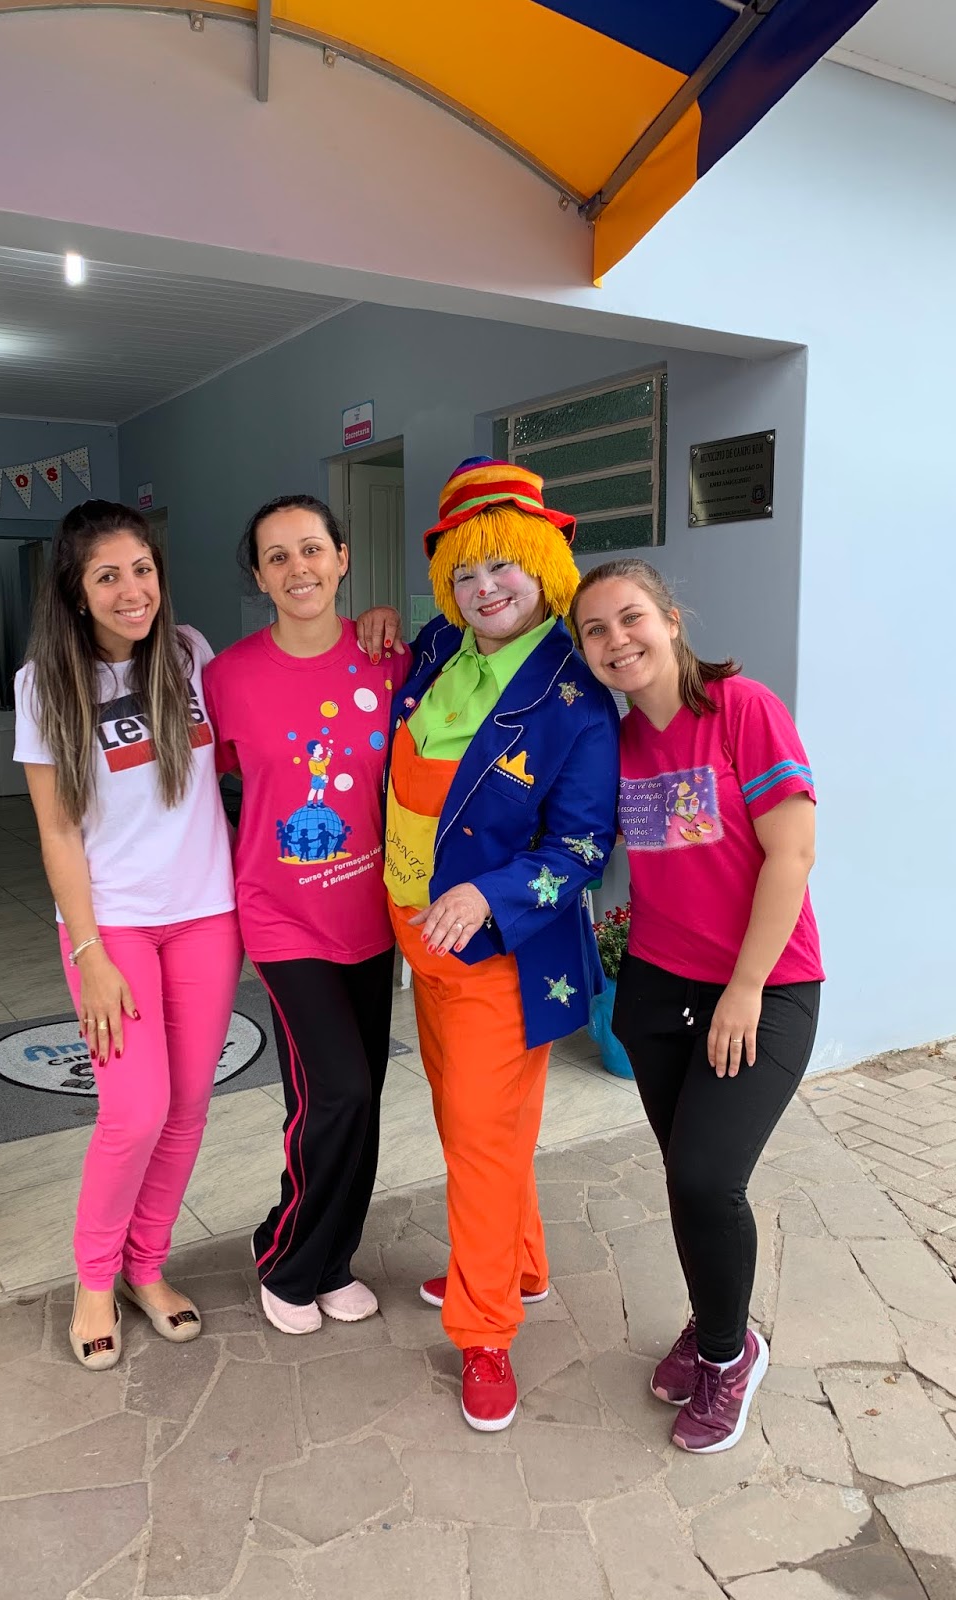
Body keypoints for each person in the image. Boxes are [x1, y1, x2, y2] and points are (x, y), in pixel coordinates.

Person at [380, 456, 620, 1432]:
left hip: (503, 955)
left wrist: (489, 893)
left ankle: (485, 1332)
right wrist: (377, 624)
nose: (486, 588)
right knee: (472, 1123)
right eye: (466, 571)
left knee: (479, 1139)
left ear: (543, 565)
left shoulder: (578, 698)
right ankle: (517, 1262)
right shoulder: (441, 644)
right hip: (418, 940)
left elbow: (584, 846)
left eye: (504, 566)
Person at [571, 558, 823, 1453]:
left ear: (671, 620)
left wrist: (745, 989)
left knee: (710, 1178)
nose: (616, 640)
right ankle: (715, 1319)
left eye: (631, 617)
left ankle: (730, 1354)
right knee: (687, 1176)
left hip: (765, 986)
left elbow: (793, 854)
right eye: (595, 630)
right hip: (656, 987)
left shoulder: (742, 709)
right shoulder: (615, 739)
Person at [15, 499, 241, 1370]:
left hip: (206, 914)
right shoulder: (44, 685)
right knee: (134, 1110)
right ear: (76, 592)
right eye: (107, 576)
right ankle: (94, 1280)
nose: (131, 590)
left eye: (141, 569)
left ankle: (147, 1266)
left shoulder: (189, 653)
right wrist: (90, 952)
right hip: (113, 929)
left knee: (187, 1106)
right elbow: (57, 831)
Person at [203, 494, 411, 1336]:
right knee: (335, 1093)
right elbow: (196, 789)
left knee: (364, 1098)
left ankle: (333, 1260)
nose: (299, 569)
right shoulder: (227, 678)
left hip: (373, 916)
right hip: (282, 919)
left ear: (342, 557)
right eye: (278, 556)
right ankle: (285, 1254)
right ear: (259, 577)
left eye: (313, 549)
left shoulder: (388, 662)